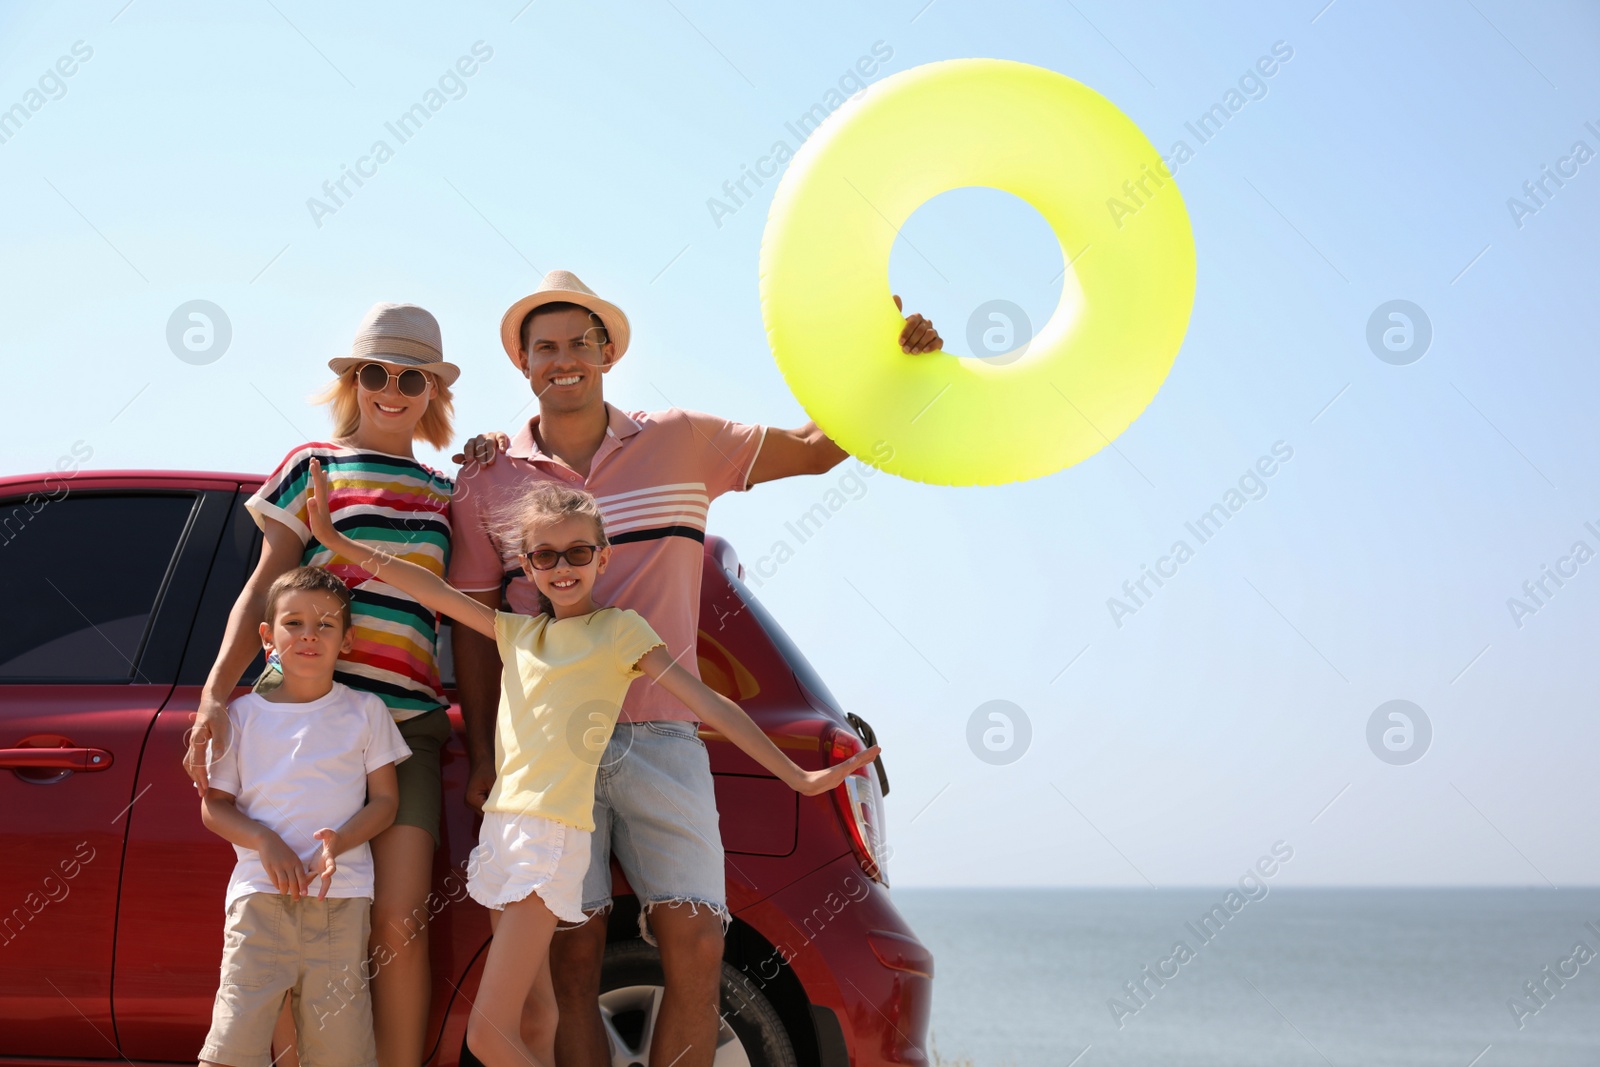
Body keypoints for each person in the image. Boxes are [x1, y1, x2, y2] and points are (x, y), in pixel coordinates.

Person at [446, 271, 941, 1067]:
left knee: (699, 945)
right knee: (574, 965)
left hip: (666, 736)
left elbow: (816, 451)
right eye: (546, 346)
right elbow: (472, 627)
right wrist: (480, 757)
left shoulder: (680, 439)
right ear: (524, 363)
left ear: (608, 353)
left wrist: (884, 361)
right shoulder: (489, 475)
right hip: (551, 758)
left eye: (580, 342)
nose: (563, 359)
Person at [301, 460, 879, 1067]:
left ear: (603, 558)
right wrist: (337, 542)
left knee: (487, 1036)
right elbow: (430, 590)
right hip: (502, 832)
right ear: (526, 567)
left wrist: (798, 774)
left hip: (547, 838)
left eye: (576, 553)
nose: (561, 568)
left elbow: (709, 702)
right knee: (538, 1015)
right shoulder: (517, 634)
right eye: (544, 556)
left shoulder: (619, 632)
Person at [183, 302, 460, 1067]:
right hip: (296, 722)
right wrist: (214, 694)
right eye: (375, 372)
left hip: (406, 732)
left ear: (433, 389)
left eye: (411, 376)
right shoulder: (315, 466)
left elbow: (469, 620)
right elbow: (260, 589)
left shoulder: (449, 492)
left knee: (398, 920)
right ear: (353, 382)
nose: (391, 389)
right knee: (288, 909)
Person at [197, 565, 412, 1067]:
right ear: (267, 637)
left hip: (340, 900)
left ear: (348, 640)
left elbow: (385, 802)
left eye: (326, 625)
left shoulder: (366, 711)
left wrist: (336, 842)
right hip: (259, 900)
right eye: (294, 623)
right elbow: (214, 806)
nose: (310, 635)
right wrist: (265, 841)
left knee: (339, 1052)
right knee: (233, 1045)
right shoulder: (242, 716)